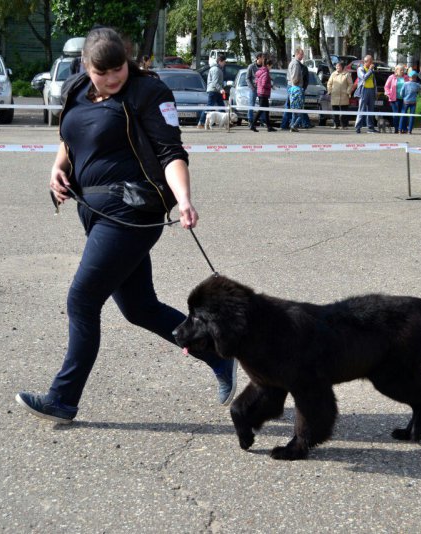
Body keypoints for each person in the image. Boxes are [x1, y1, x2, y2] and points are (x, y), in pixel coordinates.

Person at [14, 27, 237, 424]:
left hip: (132, 213)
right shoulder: (77, 88)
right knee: (139, 308)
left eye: (119, 69)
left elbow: (171, 152)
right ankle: (218, 354)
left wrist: (184, 199)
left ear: (127, 61)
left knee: (82, 301)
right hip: (94, 213)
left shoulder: (147, 92)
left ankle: (62, 399)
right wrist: (57, 169)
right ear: (86, 66)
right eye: (104, 72)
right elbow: (70, 138)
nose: (113, 78)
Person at [281, 48, 309, 131]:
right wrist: (297, 88)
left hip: (292, 87)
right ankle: (292, 125)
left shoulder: (294, 63)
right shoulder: (296, 64)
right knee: (298, 110)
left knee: (292, 108)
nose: (303, 56)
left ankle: (291, 125)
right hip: (295, 88)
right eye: (302, 54)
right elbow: (295, 78)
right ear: (297, 54)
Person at [197, 53, 225, 129]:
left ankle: (226, 123)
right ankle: (201, 122)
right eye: (224, 62)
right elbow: (215, 82)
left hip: (216, 90)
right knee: (209, 107)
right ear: (220, 61)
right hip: (214, 90)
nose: (224, 63)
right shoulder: (216, 69)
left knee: (222, 107)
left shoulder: (216, 69)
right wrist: (221, 89)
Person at [250, 58, 276, 132]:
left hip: (261, 92)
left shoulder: (261, 71)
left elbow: (257, 82)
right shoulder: (266, 73)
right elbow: (264, 84)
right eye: (271, 66)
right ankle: (252, 125)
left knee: (266, 110)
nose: (271, 68)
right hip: (263, 93)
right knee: (261, 110)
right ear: (268, 65)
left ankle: (269, 126)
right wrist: (270, 86)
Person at [354, 55, 379, 133]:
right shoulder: (360, 69)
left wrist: (376, 91)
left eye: (372, 61)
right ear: (366, 62)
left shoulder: (371, 70)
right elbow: (364, 77)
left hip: (371, 90)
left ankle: (370, 127)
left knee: (371, 110)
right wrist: (370, 70)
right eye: (370, 61)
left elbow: (373, 81)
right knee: (361, 109)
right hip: (364, 91)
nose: (372, 63)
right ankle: (358, 127)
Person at [327, 61, 353, 129]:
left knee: (344, 112)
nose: (337, 67)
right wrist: (330, 91)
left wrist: (348, 92)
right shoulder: (333, 74)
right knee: (335, 112)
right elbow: (329, 83)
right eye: (336, 66)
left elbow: (350, 84)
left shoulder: (347, 74)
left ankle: (344, 126)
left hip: (344, 96)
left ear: (342, 67)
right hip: (334, 96)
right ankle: (336, 125)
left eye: (338, 66)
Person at [384, 64, 408, 134]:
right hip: (394, 99)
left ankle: (403, 128)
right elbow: (386, 87)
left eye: (403, 70)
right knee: (396, 115)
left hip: (404, 99)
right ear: (396, 70)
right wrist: (389, 94)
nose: (402, 71)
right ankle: (396, 128)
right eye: (401, 70)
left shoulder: (406, 77)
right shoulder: (391, 77)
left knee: (404, 114)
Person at [246, 52, 264, 125]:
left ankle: (262, 120)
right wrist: (252, 87)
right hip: (253, 88)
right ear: (258, 58)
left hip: (261, 89)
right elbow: (247, 78)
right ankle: (250, 120)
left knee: (262, 105)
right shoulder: (251, 66)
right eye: (262, 57)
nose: (263, 59)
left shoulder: (264, 67)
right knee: (251, 104)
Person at [400, 70, 420, 134]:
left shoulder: (405, 84)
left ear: (409, 77)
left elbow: (401, 93)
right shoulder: (417, 85)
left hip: (405, 101)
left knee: (403, 115)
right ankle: (409, 130)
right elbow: (418, 92)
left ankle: (400, 129)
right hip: (413, 102)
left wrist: (404, 97)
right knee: (412, 116)